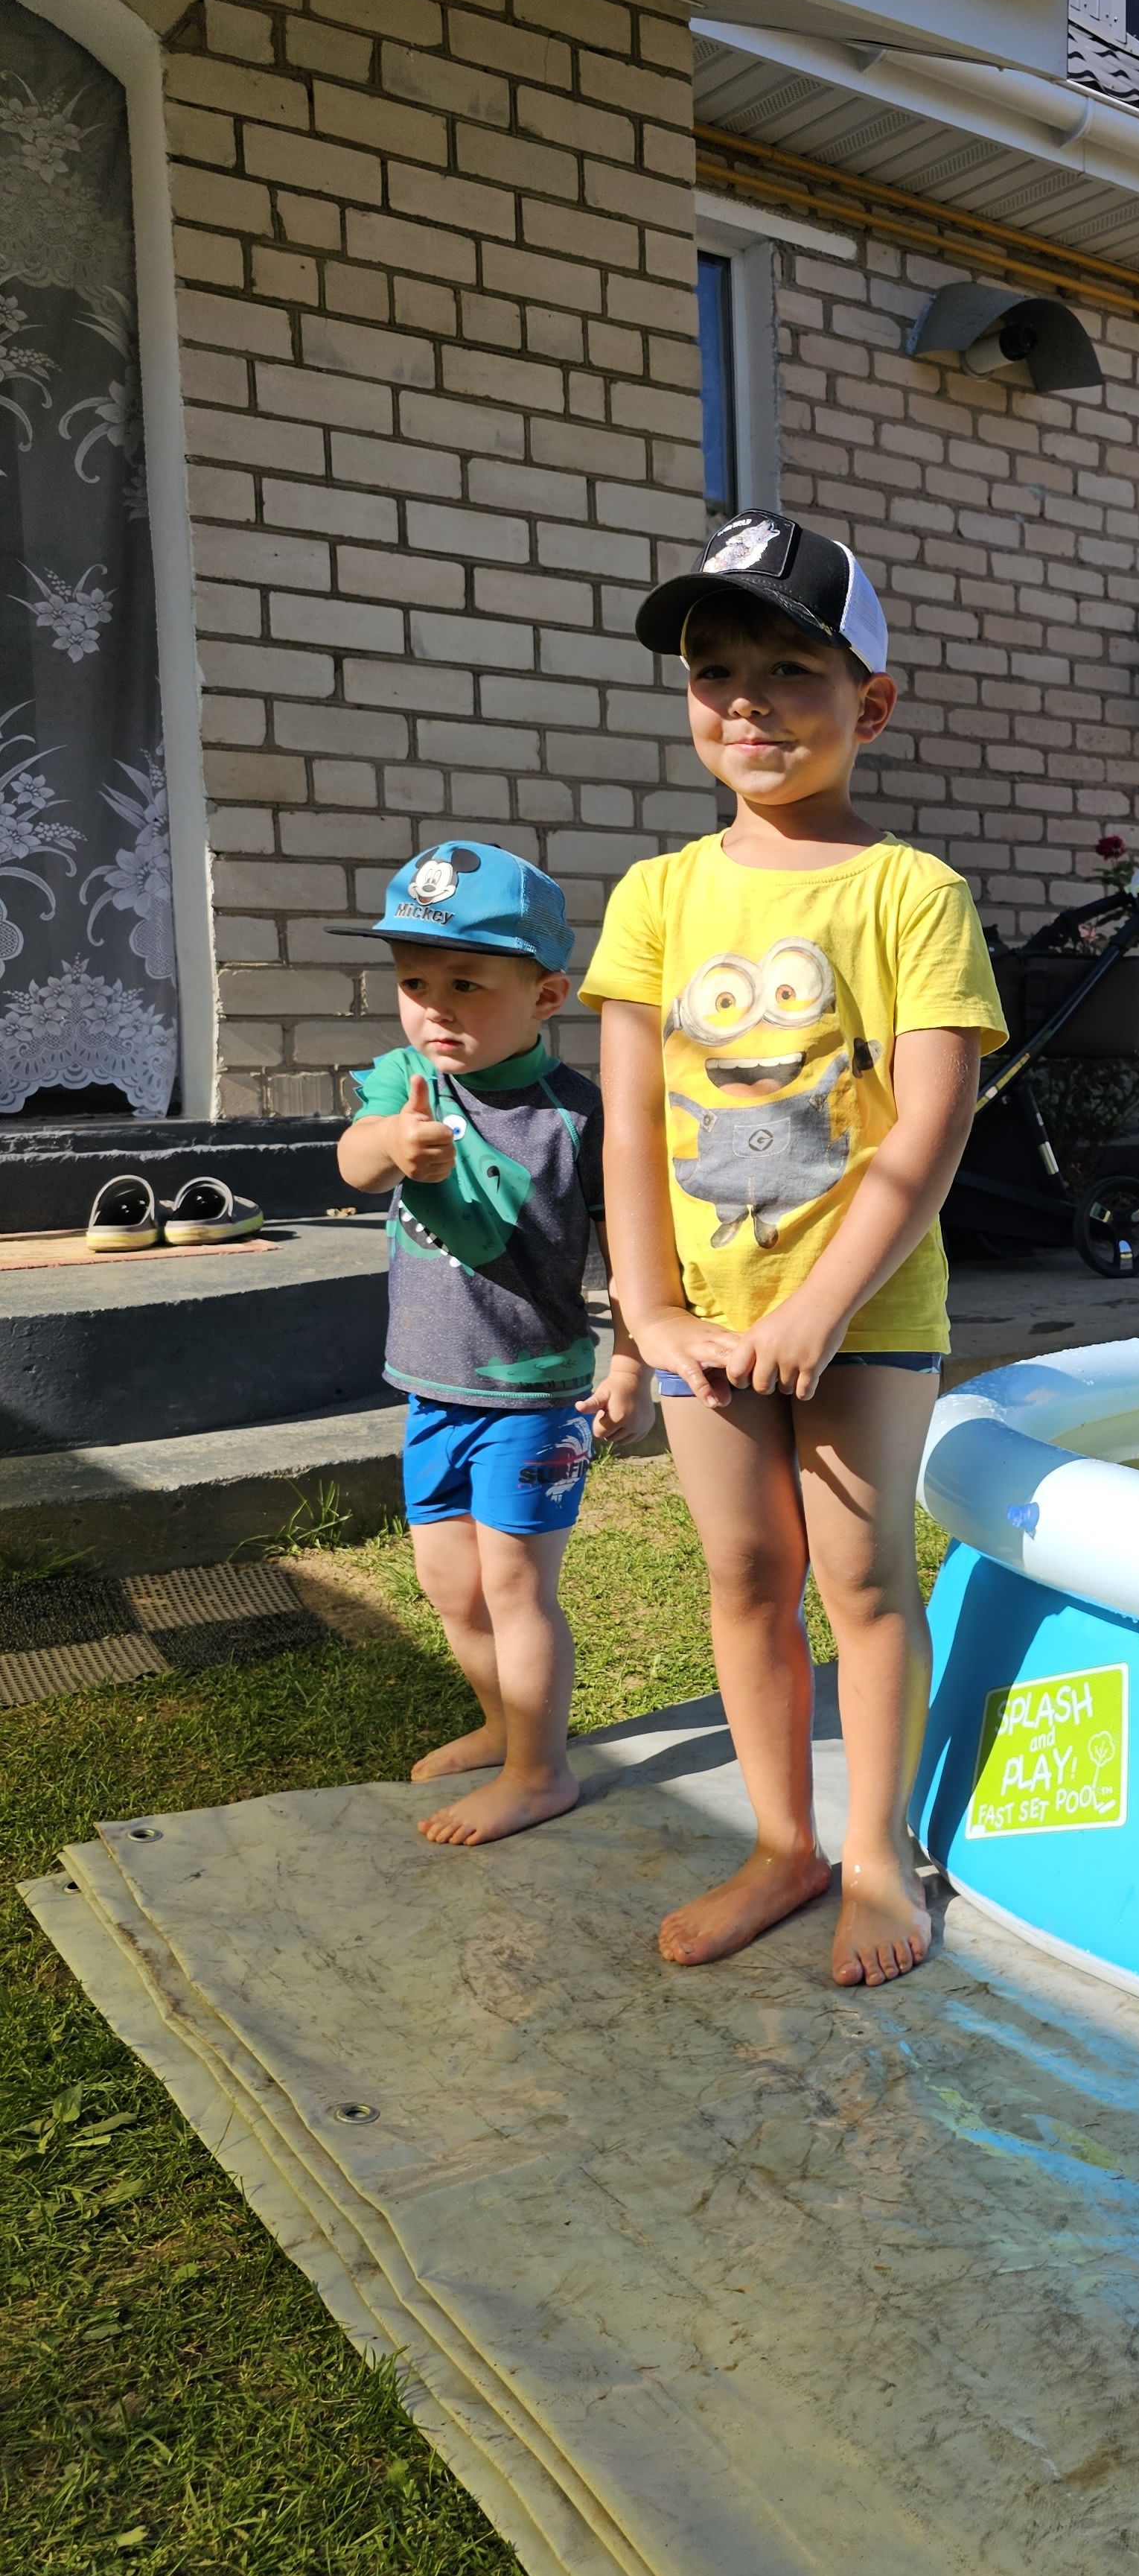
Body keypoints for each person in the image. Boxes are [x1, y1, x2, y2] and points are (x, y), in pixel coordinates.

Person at [584, 512, 1004, 1988]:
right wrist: (647, 1310)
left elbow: (928, 1129)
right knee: (745, 1571)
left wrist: (825, 1305)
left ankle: (877, 1856)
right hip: (707, 1315)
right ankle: (782, 1841)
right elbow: (629, 1124)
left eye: (788, 666)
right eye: (714, 669)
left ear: (869, 702)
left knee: (862, 1577)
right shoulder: (655, 898)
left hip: (865, 1317)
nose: (746, 699)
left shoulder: (909, 895)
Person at [335, 842, 647, 1846]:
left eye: (467, 984)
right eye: (415, 983)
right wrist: (394, 1146)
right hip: (434, 1392)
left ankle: (540, 1770)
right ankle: (499, 1723)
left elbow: (636, 1250)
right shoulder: (403, 1081)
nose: (434, 1008)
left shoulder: (577, 1118)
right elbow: (353, 1162)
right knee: (449, 1585)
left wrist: (633, 1360)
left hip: (533, 1397)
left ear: (548, 994)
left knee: (516, 1586)